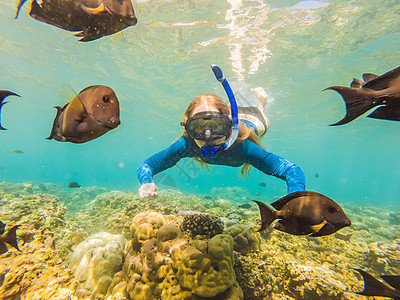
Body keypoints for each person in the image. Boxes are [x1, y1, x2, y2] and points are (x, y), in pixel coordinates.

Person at [137, 87, 305, 200]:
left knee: (262, 118)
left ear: (230, 126)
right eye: (198, 127)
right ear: (188, 128)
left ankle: (261, 104)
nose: (208, 137)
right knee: (220, 112)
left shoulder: (243, 146)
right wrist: (146, 181)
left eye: (216, 126)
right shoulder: (188, 144)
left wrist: (295, 199)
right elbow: (147, 165)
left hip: (254, 122)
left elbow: (292, 170)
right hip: (230, 116)